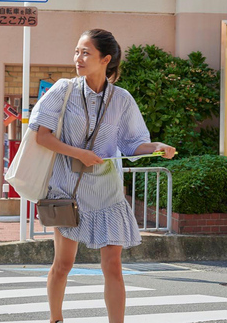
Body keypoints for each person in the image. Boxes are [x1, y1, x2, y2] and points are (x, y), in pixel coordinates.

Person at [29, 29, 177, 323]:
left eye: (86, 53)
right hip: (67, 189)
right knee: (63, 263)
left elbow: (133, 143)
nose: (78, 58)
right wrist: (78, 153)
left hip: (107, 192)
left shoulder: (121, 99)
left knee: (113, 265)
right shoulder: (63, 89)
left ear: (105, 60)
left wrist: (156, 147)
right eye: (76, 52)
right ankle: (55, 319)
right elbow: (42, 137)